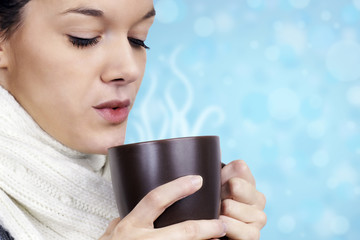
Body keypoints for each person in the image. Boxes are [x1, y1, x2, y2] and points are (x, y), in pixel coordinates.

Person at [0, 0, 267, 239]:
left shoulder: (129, 185)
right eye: (85, 37)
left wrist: (216, 225)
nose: (128, 69)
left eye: (138, 39)